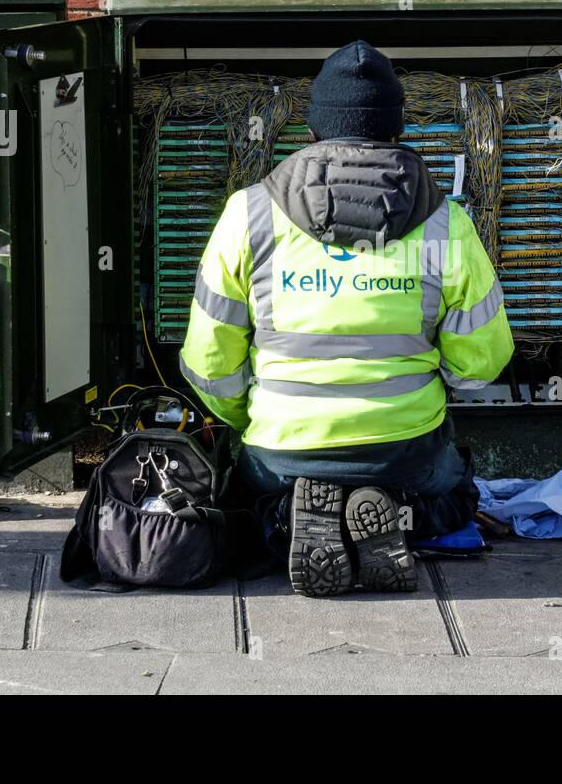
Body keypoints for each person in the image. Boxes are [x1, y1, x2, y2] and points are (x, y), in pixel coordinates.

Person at [180, 40, 514, 597]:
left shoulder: (250, 213)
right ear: (395, 130)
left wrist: (250, 419)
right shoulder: (444, 223)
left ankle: (291, 517)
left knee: (248, 505)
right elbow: (483, 359)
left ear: (312, 131)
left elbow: (210, 358)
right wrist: (439, 385)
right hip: (403, 445)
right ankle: (393, 513)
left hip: (283, 447)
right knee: (453, 496)